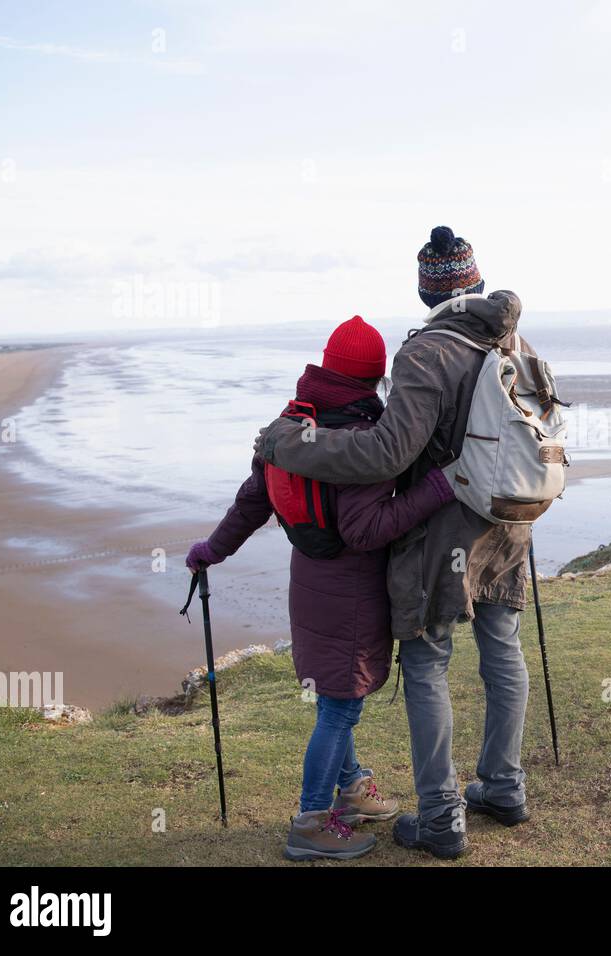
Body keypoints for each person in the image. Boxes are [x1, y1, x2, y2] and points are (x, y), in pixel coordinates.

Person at [256, 226, 538, 859]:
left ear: (426, 289)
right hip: (508, 523)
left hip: (444, 535)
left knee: (428, 662)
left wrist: (291, 443)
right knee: (501, 646)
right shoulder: (512, 341)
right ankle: (503, 786)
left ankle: (441, 818)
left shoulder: (427, 352)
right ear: (476, 282)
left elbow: (388, 453)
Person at [187, 315, 456, 861]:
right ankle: (311, 821)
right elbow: (364, 530)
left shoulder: (291, 424)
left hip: (308, 582)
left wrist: (211, 550)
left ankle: (352, 787)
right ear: (375, 378)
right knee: (341, 706)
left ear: (326, 367)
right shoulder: (364, 442)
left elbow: (251, 503)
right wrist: (434, 489)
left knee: (334, 695)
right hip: (351, 595)